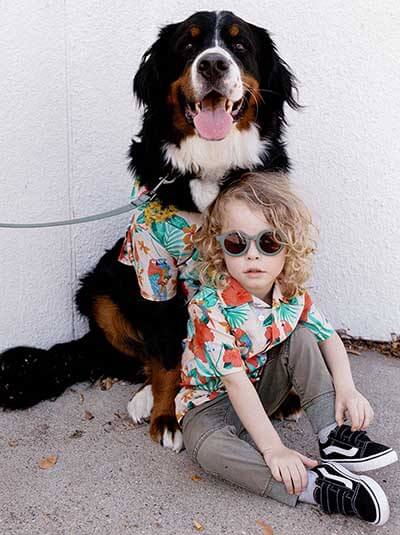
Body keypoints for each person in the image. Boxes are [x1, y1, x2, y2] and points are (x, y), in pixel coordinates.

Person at [175, 172, 397, 526]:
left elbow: (328, 337)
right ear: (219, 248)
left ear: (288, 247)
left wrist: (347, 389)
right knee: (206, 449)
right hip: (209, 407)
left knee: (303, 336)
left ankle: (333, 437)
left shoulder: (291, 295)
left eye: (268, 242)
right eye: (236, 242)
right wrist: (274, 448)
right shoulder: (209, 306)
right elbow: (234, 382)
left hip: (262, 391)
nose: (252, 254)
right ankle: (315, 486)